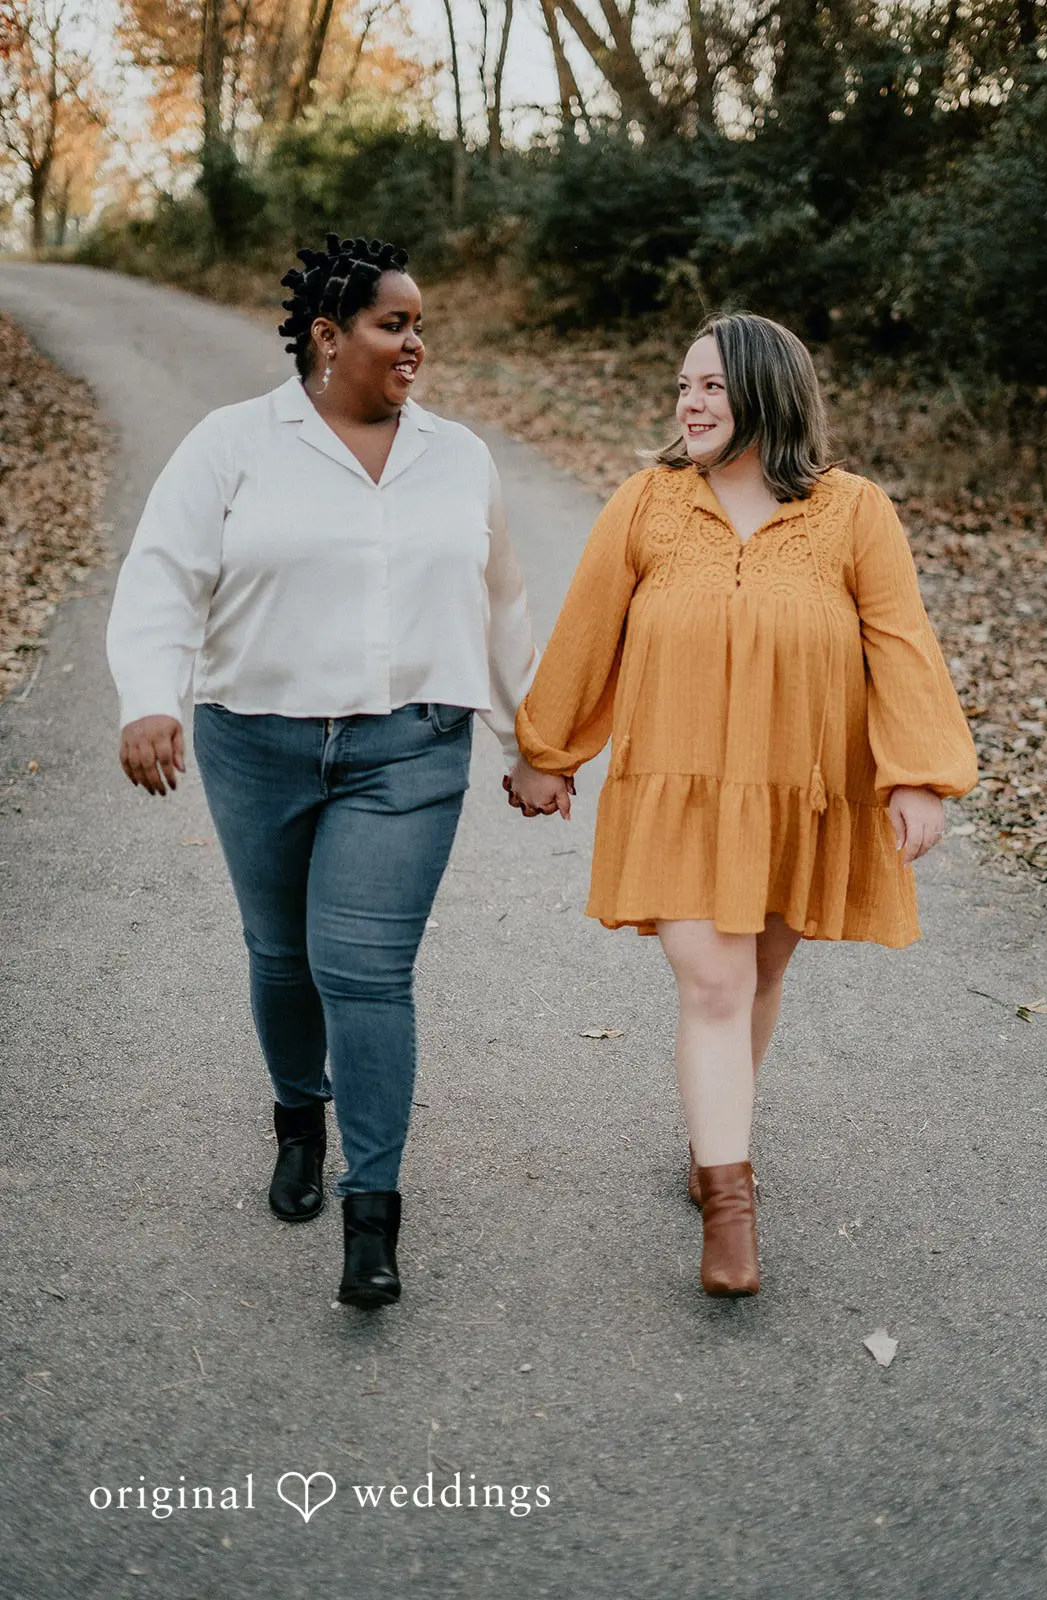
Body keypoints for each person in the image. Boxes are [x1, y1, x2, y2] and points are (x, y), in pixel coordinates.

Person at [504, 311, 977, 1299]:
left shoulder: (851, 512)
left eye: (711, 386)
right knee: (713, 983)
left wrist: (917, 771)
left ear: (767, 391)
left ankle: (713, 1133)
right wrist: (544, 751)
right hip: (675, 789)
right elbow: (586, 629)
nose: (688, 401)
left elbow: (897, 640)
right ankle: (729, 1203)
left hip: (797, 792)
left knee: (756, 972)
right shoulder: (645, 504)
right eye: (683, 385)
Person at [107, 233, 538, 1310]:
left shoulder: (458, 456)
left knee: (362, 968)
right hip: (257, 741)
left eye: (420, 325)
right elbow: (164, 573)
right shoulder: (231, 444)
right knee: (282, 953)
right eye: (394, 325)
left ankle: (372, 1214)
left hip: (411, 746)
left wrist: (530, 742)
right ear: (326, 336)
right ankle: (299, 1119)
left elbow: (502, 602)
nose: (415, 345)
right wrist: (150, 698)